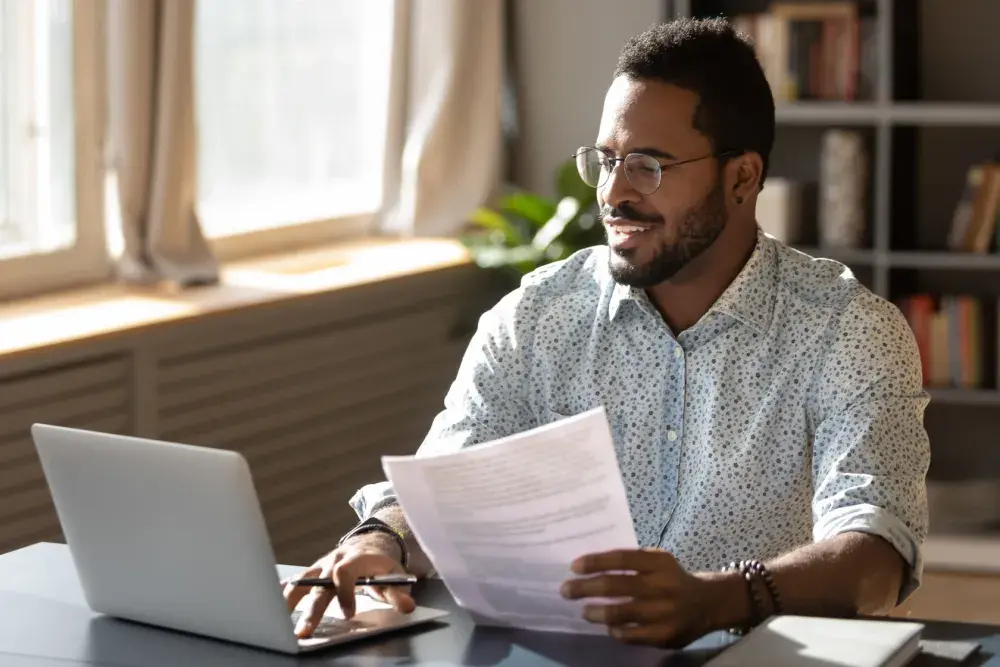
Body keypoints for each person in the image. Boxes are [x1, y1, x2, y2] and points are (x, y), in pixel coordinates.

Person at [283, 17, 930, 647]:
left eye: (649, 165)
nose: (614, 193)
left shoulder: (848, 330)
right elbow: (443, 485)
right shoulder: (540, 315)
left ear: (741, 177)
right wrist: (380, 537)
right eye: (608, 158)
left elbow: (878, 550)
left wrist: (719, 599)